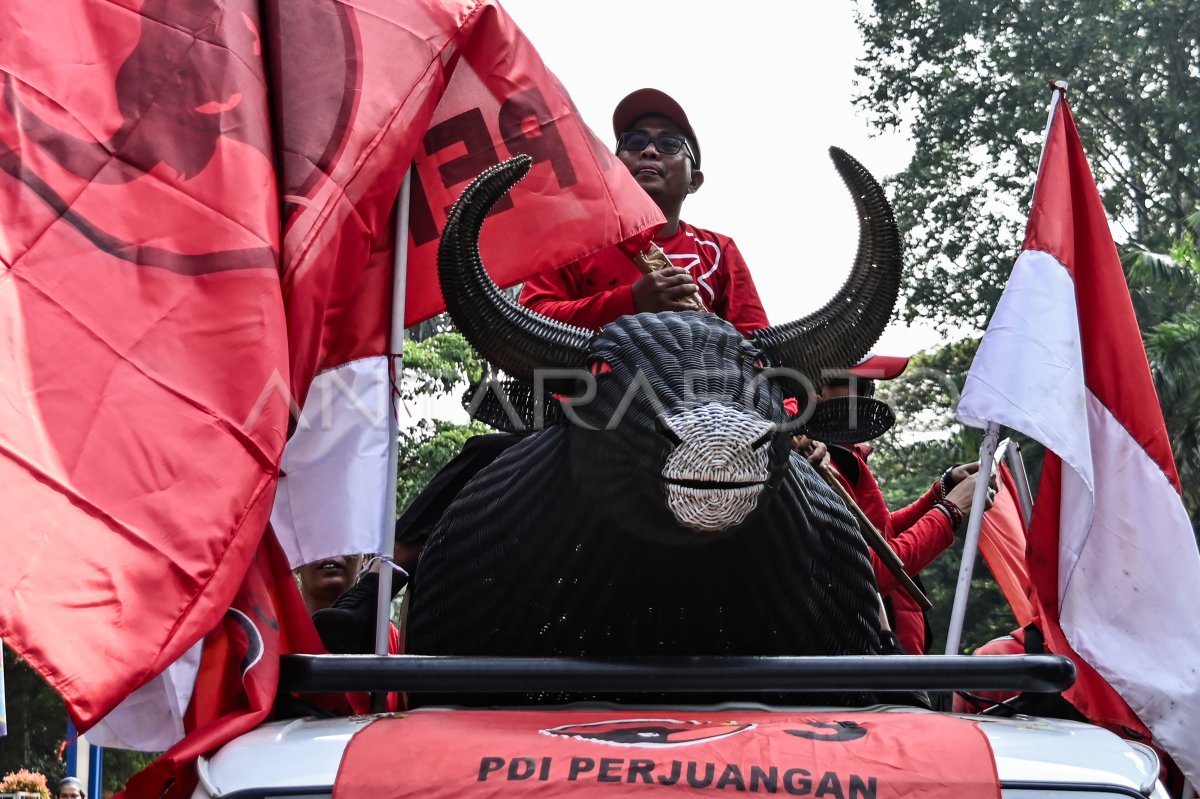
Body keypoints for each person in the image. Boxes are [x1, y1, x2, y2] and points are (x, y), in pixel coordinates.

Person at [520, 88, 769, 334]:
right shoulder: (575, 242)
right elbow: (529, 322)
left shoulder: (719, 251)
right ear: (613, 166)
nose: (649, 150)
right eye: (634, 142)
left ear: (694, 181)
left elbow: (759, 349)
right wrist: (629, 302)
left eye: (669, 143)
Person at [797, 356, 995, 655]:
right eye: (860, 386)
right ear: (816, 390)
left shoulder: (842, 456)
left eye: (870, 388)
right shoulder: (812, 458)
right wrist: (949, 512)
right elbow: (867, 572)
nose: (867, 397)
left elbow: (880, 534)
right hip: (867, 653)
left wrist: (942, 492)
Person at [296, 555, 365, 614]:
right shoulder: (286, 622)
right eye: (315, 541)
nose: (330, 553)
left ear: (365, 557)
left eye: (343, 540)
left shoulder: (374, 625)